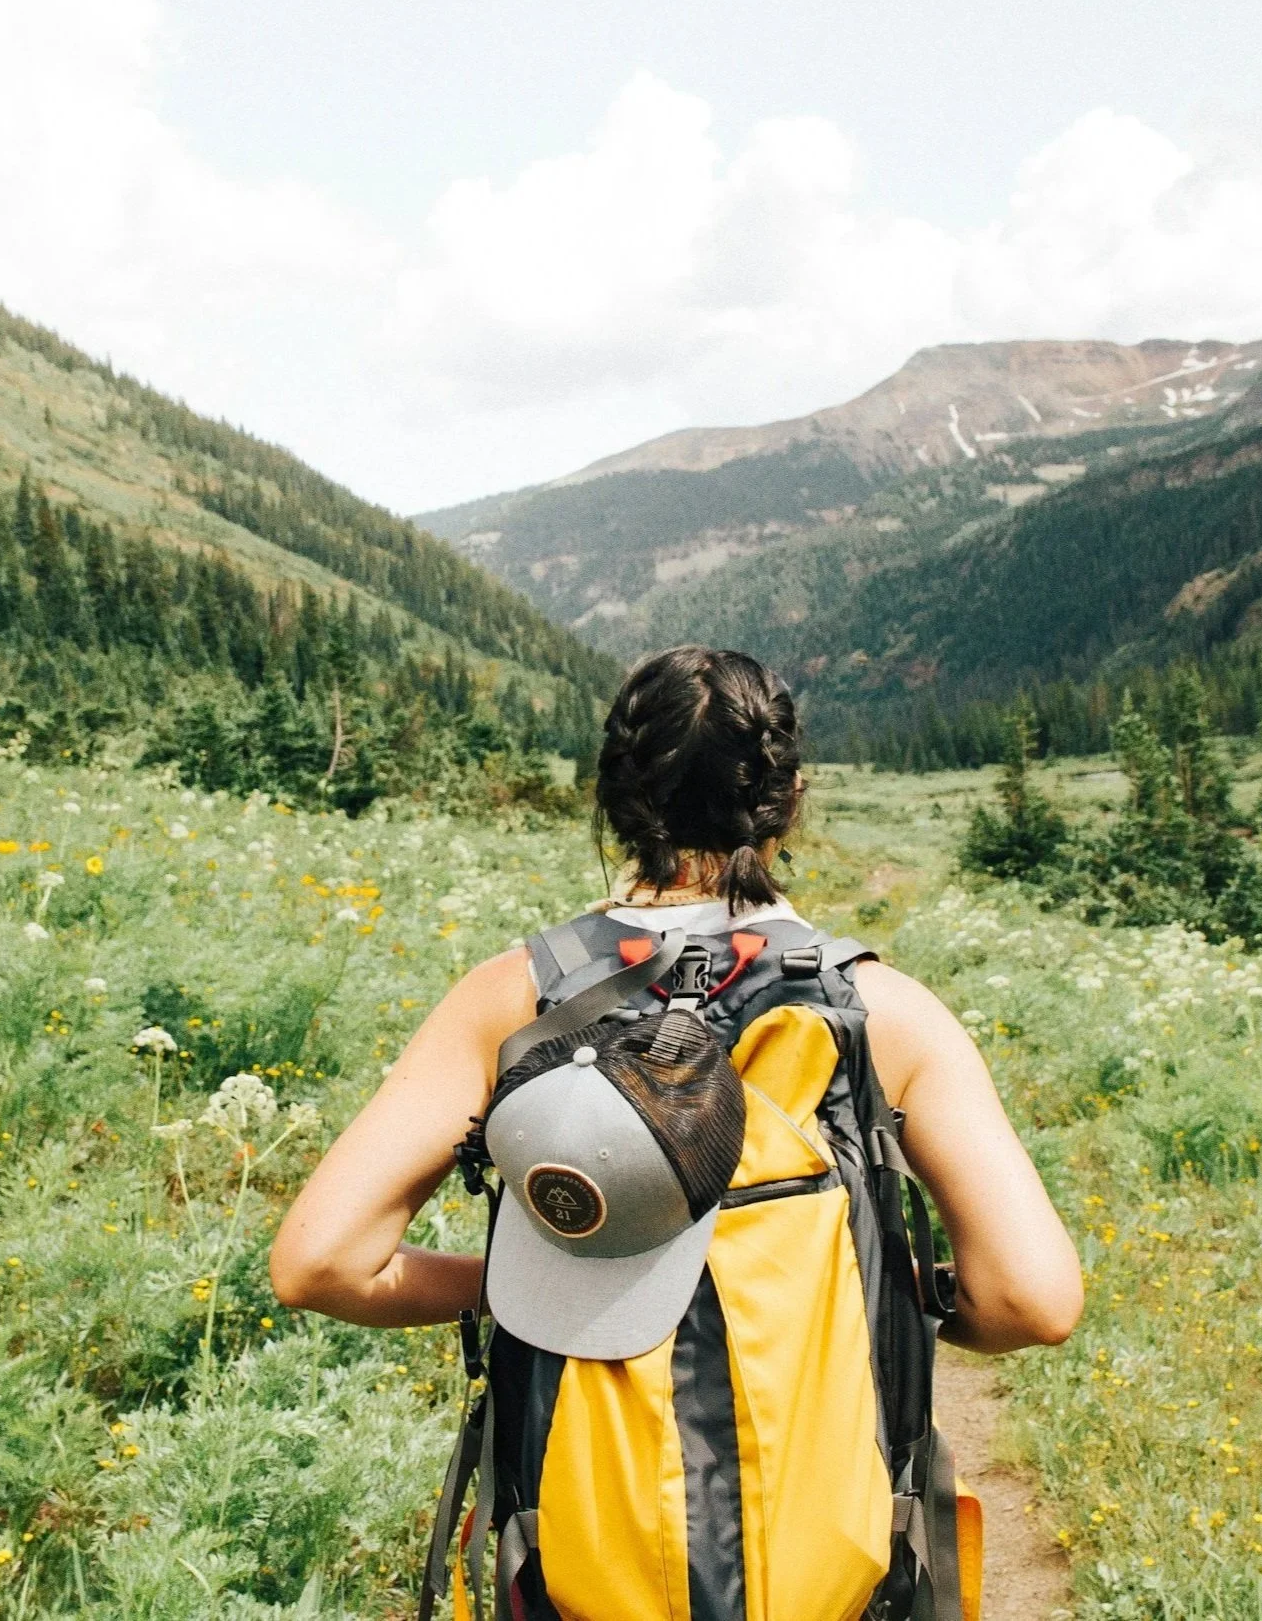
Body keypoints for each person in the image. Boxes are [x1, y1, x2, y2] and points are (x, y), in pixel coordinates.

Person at [270, 645, 1082, 1615]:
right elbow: (1035, 1300)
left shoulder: (515, 1001)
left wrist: (518, 1286)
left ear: (614, 800)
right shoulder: (883, 1013)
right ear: (789, 800)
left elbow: (320, 1262)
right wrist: (894, 1297)